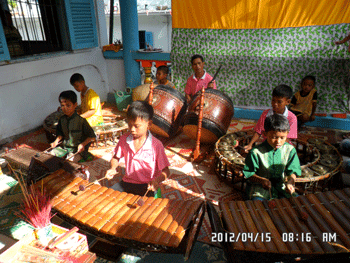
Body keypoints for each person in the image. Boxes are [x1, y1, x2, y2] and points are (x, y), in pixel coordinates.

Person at [105, 101, 170, 196]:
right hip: (127, 183)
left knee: (146, 208)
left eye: (136, 126)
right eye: (130, 125)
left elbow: (166, 170)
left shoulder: (156, 145)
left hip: (147, 186)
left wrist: (157, 180)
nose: (132, 129)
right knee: (109, 196)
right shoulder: (124, 139)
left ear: (149, 124)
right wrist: (112, 168)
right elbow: (116, 157)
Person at [243, 114, 301, 201]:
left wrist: (290, 182)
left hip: (281, 186)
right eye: (274, 137)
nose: (278, 141)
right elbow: (249, 173)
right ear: (265, 134)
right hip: (260, 187)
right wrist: (262, 180)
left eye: (282, 137)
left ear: (287, 134)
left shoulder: (290, 150)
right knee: (258, 204)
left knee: (298, 202)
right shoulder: (255, 152)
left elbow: (293, 170)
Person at [244, 84, 298, 152]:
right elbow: (258, 131)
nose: (275, 104)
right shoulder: (266, 114)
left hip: (283, 146)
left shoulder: (292, 118)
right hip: (267, 144)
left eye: (279, 102)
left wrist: (276, 149)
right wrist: (250, 144)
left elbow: (287, 138)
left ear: (288, 102)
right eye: (273, 100)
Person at [50, 90, 96, 161]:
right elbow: (60, 134)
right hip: (64, 148)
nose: (65, 108)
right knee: (49, 156)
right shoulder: (62, 120)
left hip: (77, 150)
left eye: (68, 105)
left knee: (69, 162)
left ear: (75, 105)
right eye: (62, 105)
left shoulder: (81, 121)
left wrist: (82, 144)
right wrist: (55, 142)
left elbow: (92, 137)